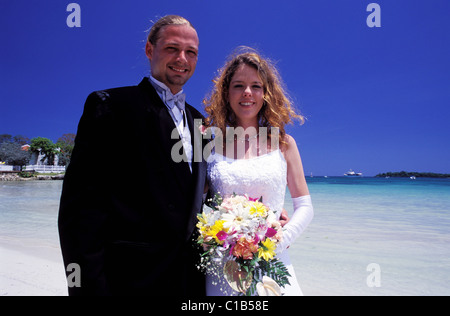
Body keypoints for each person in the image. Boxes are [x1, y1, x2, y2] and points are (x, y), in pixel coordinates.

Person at [58, 15, 207, 296]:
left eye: (191, 52)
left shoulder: (201, 123)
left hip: (189, 280)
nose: (182, 59)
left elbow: (200, 194)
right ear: (150, 50)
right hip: (129, 281)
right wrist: (86, 288)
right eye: (172, 48)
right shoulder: (111, 106)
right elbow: (79, 212)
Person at [203, 47, 314, 296]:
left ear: (266, 93)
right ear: (226, 93)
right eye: (238, 85)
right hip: (222, 264)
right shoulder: (209, 143)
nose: (247, 93)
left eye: (256, 86)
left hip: (273, 261)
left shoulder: (284, 143)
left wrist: (275, 243)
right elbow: (194, 201)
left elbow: (305, 206)